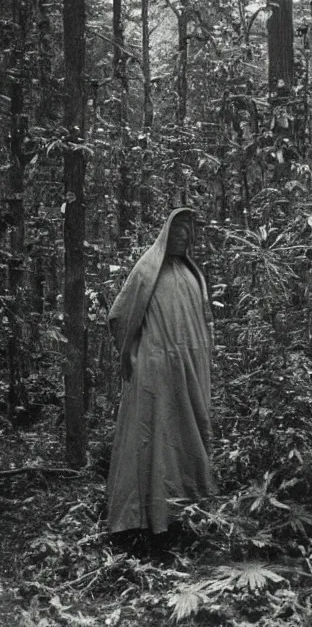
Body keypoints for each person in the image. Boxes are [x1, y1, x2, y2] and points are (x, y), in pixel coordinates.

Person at [106, 208, 215, 534]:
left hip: (190, 373)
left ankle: (188, 515)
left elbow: (202, 324)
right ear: (166, 234)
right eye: (177, 231)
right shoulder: (146, 270)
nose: (184, 236)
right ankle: (147, 521)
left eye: (188, 231)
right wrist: (136, 355)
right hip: (155, 373)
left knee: (187, 435)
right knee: (155, 438)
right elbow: (119, 316)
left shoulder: (192, 273)